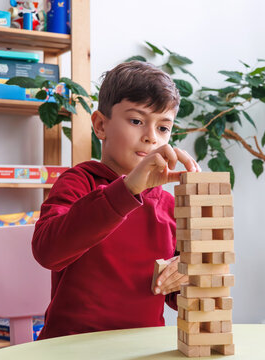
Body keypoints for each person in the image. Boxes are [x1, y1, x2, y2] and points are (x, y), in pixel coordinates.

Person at [32, 61, 200, 340]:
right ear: (100, 125)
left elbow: (175, 296)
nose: (150, 137)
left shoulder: (169, 206)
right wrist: (127, 190)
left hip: (143, 347)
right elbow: (48, 252)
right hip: (71, 347)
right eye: (136, 121)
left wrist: (187, 274)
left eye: (163, 128)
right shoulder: (77, 182)